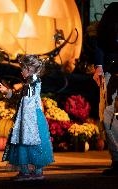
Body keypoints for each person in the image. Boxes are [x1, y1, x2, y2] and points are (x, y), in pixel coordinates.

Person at [0, 55, 54, 181]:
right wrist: (6, 90)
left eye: (23, 69)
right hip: (30, 117)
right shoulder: (30, 82)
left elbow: (25, 100)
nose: (21, 71)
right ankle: (35, 171)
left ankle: (28, 172)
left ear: (30, 69)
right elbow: (20, 98)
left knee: (26, 142)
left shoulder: (31, 83)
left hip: (30, 118)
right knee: (31, 143)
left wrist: (9, 90)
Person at [93, 2, 118, 176]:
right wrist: (99, 66)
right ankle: (117, 159)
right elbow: (100, 41)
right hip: (111, 69)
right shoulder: (114, 10)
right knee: (107, 114)